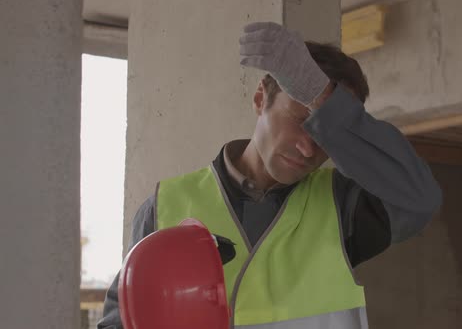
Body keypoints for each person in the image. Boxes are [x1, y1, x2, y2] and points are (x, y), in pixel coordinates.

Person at [98, 22, 442, 329]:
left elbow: (419, 199)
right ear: (261, 97)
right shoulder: (166, 206)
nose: (309, 149)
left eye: (323, 133)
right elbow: (122, 320)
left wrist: (319, 96)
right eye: (299, 120)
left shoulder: (342, 206)